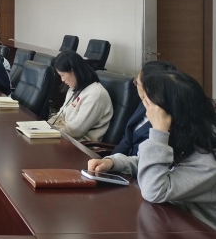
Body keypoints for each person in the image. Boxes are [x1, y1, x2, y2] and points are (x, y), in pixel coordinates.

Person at [88, 71, 216, 229]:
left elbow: (154, 189)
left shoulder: (208, 159)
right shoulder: (187, 133)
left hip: (199, 229)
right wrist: (114, 162)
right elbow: (156, 164)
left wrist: (159, 131)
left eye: (151, 105)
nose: (147, 110)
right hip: (171, 218)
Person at [112, 60, 178, 156]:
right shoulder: (144, 103)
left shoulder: (169, 118)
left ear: (148, 88)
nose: (136, 86)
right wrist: (110, 159)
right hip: (122, 161)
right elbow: (126, 139)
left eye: (137, 83)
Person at [50, 50, 113, 141]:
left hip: (80, 145)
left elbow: (75, 131)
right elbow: (61, 114)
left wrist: (51, 133)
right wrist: (45, 126)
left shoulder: (96, 95)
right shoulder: (74, 88)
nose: (62, 80)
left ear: (74, 71)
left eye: (63, 75)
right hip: (65, 137)